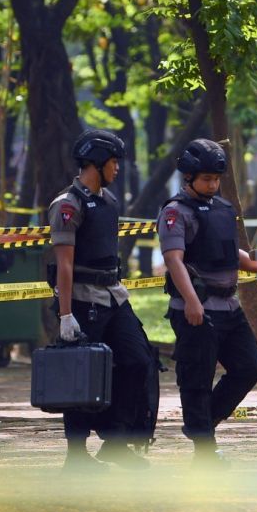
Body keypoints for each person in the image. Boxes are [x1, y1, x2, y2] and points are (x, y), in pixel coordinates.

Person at [49, 128, 157, 472]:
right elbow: (64, 264)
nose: (117, 169)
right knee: (80, 374)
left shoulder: (109, 202)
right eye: (113, 162)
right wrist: (66, 316)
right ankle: (76, 456)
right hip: (81, 300)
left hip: (113, 296)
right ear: (96, 162)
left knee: (138, 359)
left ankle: (115, 441)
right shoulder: (67, 205)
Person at [157, 139, 257, 468]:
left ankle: (201, 426)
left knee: (250, 367)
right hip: (197, 310)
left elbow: (231, 254)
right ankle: (204, 446)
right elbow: (174, 260)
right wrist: (192, 301)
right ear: (188, 177)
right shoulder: (175, 212)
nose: (213, 185)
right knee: (197, 378)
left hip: (230, 308)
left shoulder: (222, 209)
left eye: (216, 179)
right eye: (206, 179)